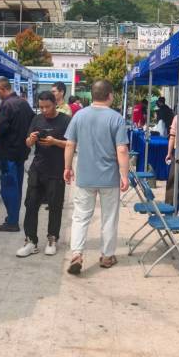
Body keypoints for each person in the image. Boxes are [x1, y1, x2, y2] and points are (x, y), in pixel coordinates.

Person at [64, 80, 130, 274]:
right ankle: (107, 256)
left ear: (92, 95)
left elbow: (70, 144)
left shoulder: (79, 116)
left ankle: (77, 254)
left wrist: (67, 167)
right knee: (109, 218)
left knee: (80, 216)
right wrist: (124, 175)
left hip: (85, 176)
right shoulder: (116, 118)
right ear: (110, 95)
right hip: (109, 178)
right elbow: (122, 149)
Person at [17, 91, 70, 257]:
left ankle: (52, 239)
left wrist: (55, 142)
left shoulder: (66, 120)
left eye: (47, 107)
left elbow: (72, 144)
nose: (44, 110)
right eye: (41, 107)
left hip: (57, 170)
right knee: (31, 204)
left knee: (55, 206)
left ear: (55, 104)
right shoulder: (37, 119)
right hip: (37, 169)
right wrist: (31, 140)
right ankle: (30, 241)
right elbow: (27, 142)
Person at [0, 76, 35, 232]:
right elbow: (32, 122)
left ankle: (12, 221)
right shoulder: (24, 103)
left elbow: (0, 128)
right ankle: (13, 218)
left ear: (2, 89)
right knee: (16, 187)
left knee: (8, 188)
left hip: (8, 152)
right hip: (21, 152)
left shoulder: (7, 105)